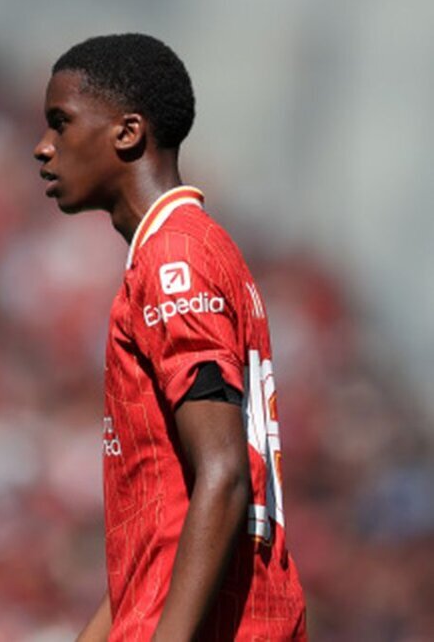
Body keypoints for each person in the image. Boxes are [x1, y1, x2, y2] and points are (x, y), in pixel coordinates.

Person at [34, 34, 307, 641]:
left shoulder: (175, 259)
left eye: (62, 123)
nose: (44, 148)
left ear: (127, 133)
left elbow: (224, 472)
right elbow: (165, 526)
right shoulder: (187, 249)